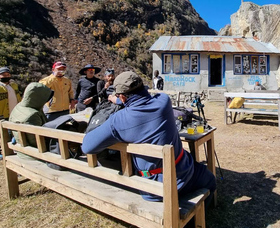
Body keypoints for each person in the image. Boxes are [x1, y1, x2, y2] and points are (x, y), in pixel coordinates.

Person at [81, 71, 216, 205]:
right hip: (183, 171)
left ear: (122, 97)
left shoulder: (118, 121)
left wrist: (116, 102)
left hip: (153, 186)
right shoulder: (164, 102)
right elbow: (149, 98)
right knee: (210, 180)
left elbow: (87, 146)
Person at [9, 83, 53, 157]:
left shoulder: (18, 107)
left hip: (21, 150)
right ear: (38, 98)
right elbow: (37, 142)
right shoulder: (32, 115)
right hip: (33, 154)